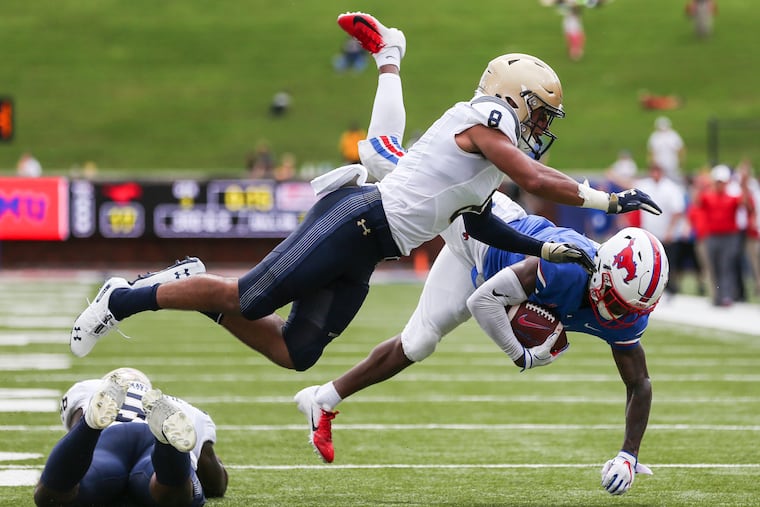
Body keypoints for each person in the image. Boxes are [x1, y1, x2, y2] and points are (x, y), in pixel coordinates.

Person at [69, 13, 661, 411]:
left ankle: (191, 285)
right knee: (249, 298)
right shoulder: (489, 120)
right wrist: (608, 198)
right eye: (537, 112)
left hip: (374, 247)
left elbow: (479, 221)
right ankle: (123, 297)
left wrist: (543, 248)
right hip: (357, 217)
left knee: (295, 352)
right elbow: (535, 179)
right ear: (512, 98)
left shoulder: (486, 161)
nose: (538, 126)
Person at [292, 12, 665, 497]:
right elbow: (484, 303)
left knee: (420, 342)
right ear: (603, 272)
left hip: (484, 264)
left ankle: (322, 400)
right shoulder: (569, 268)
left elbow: (639, 383)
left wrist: (629, 455)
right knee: (381, 155)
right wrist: (522, 355)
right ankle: (390, 52)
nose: (614, 313)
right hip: (480, 231)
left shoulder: (625, 308)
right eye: (613, 300)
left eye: (624, 309)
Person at [34, 367, 227, 506]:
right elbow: (214, 483)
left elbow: (73, 453)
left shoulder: (91, 388)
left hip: (109, 439)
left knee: (51, 497)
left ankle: (90, 425)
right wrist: (218, 468)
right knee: (173, 498)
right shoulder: (183, 407)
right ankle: (166, 442)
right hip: (150, 444)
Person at [693, 164, 753, 306]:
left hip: (729, 236)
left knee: (726, 265)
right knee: (714, 266)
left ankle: (726, 296)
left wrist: (744, 184)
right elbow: (697, 202)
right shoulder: (708, 196)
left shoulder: (732, 197)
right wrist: (700, 184)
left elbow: (745, 204)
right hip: (712, 236)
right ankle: (717, 296)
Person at [635, 163, 687, 295]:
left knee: (668, 263)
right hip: (650, 233)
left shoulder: (670, 188)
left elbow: (677, 211)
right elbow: (629, 186)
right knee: (650, 263)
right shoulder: (646, 185)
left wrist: (670, 230)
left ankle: (670, 289)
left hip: (667, 234)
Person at [646, 116, 686, 183]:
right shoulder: (655, 136)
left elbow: (681, 149)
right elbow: (651, 151)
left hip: (672, 164)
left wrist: (681, 161)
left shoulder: (673, 135)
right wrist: (651, 163)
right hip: (659, 164)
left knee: (673, 181)